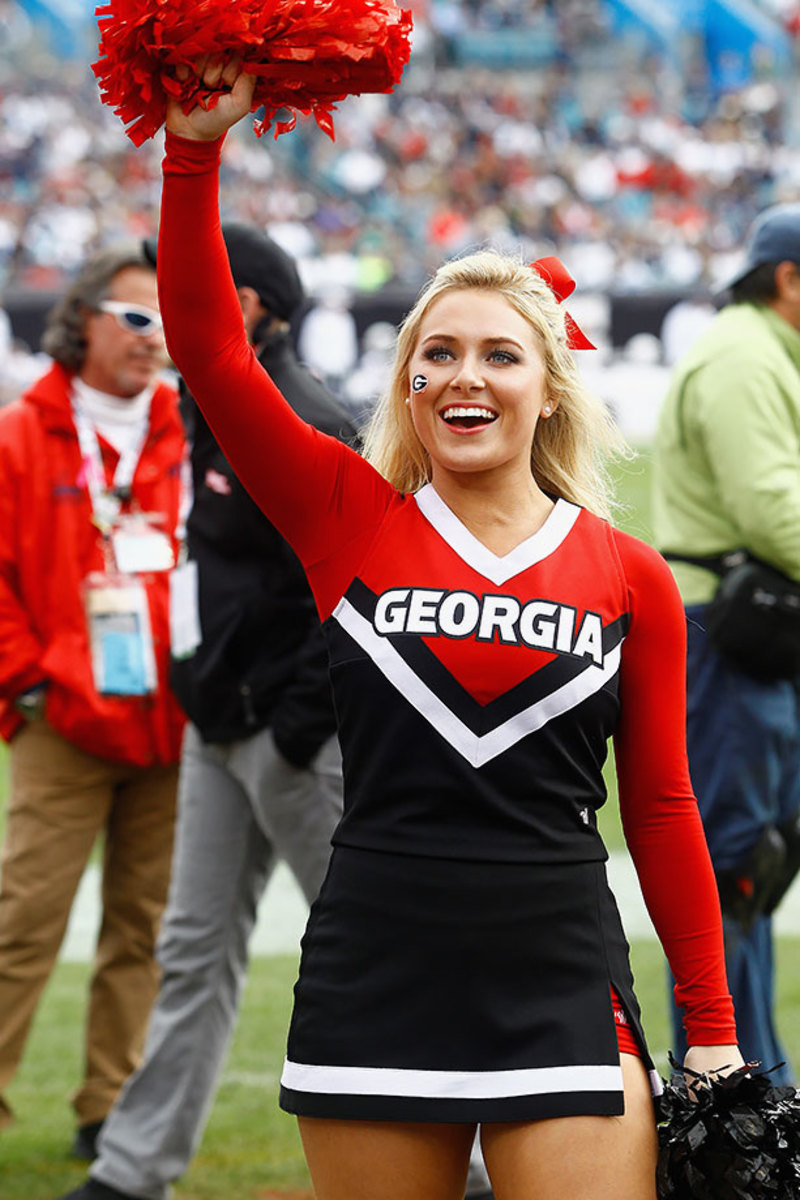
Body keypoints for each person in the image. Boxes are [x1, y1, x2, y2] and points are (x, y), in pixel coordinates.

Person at [148, 59, 743, 1200]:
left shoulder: (629, 577)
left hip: (560, 975)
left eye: (497, 353)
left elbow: (662, 809)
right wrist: (193, 151)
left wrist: (706, 1026)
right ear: (409, 386)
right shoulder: (344, 518)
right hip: (378, 968)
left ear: (548, 388)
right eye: (437, 354)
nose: (463, 376)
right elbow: (217, 356)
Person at [58, 224, 355, 1200]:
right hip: (219, 720)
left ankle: (475, 1158)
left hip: (288, 732)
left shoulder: (303, 413)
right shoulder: (201, 395)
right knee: (189, 950)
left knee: (370, 944)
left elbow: (344, 594)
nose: (175, 294)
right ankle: (134, 1170)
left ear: (260, 306)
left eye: (206, 281)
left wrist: (299, 724)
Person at [0, 246, 186, 1153]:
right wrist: (28, 682)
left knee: (142, 932)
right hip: (62, 720)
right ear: (83, 321)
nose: (155, 339)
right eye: (137, 318)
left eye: (166, 322)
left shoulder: (188, 425)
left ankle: (108, 1105)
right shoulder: (19, 432)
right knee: (21, 926)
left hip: (170, 724)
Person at [652, 203, 800, 1087]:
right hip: (732, 635)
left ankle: (763, 1105)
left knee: (754, 877)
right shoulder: (745, 356)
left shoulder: (758, 349)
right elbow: (770, 506)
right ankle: (734, 1117)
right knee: (735, 881)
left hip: (753, 634)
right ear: (788, 279)